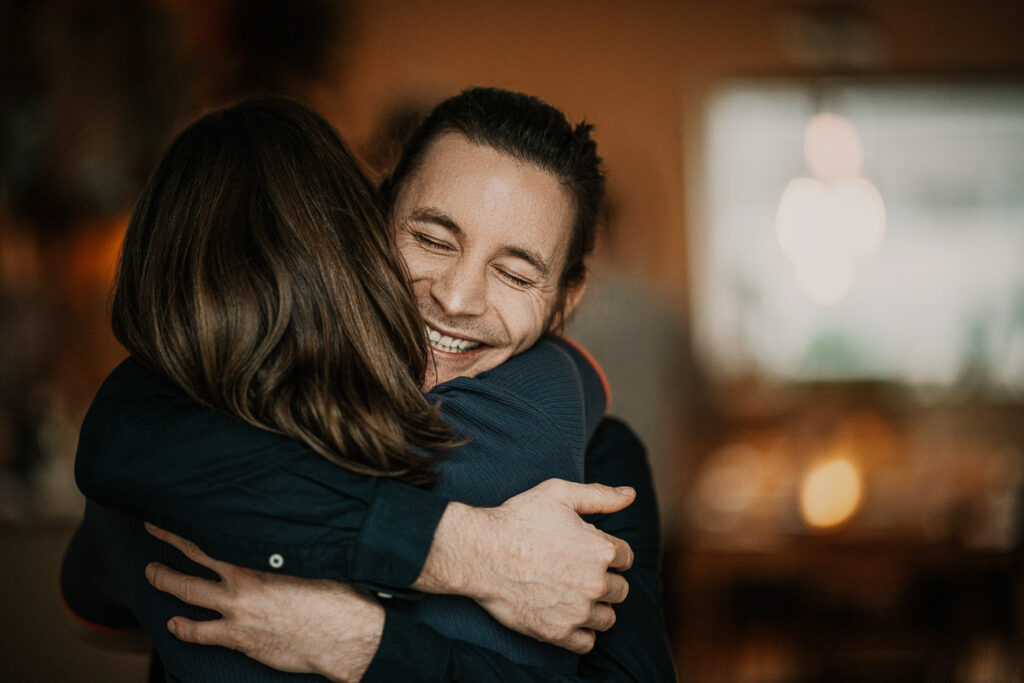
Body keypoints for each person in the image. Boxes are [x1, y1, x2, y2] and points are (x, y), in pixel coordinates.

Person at [68, 90, 676, 681]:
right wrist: (477, 552)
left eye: (515, 275)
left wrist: (363, 645)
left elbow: (93, 599)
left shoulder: (600, 464)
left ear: (564, 301)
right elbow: (124, 441)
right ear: (372, 224)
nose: (456, 298)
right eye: (432, 240)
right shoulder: (190, 428)